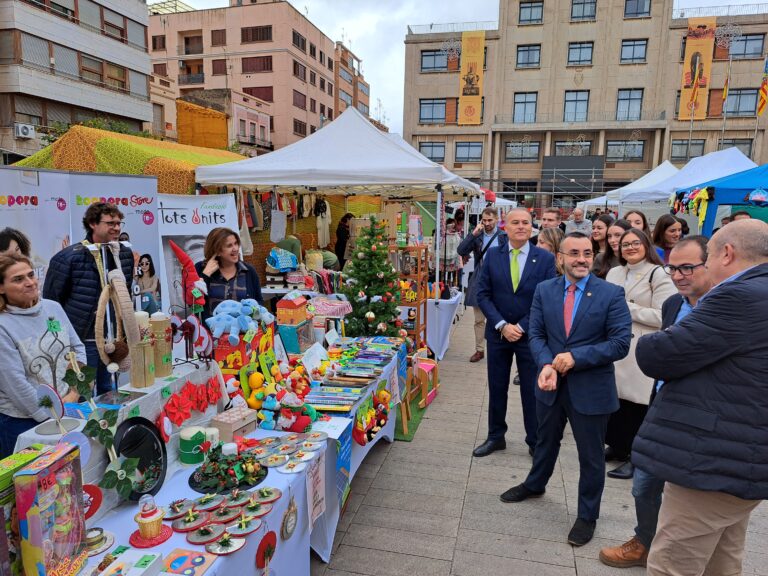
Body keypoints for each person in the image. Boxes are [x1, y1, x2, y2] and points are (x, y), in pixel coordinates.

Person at [632, 219, 768, 576]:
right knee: (722, 561)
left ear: (727, 253)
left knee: (672, 564)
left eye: (704, 261)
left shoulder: (738, 295)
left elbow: (657, 354)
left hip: (712, 460)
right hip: (741, 458)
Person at [500, 232, 632, 547]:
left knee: (591, 456)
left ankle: (587, 515)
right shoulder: (544, 290)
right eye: (573, 253)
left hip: (591, 390)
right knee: (545, 440)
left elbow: (620, 343)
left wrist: (575, 358)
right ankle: (535, 484)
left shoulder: (611, 293)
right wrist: (547, 364)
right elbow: (536, 333)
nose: (581, 259)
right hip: (550, 384)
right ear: (560, 257)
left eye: (587, 252)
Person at [599, 235, 712, 569]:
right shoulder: (675, 304)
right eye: (674, 268)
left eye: (688, 267)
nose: (678, 275)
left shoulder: (722, 308)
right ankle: (644, 541)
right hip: (661, 402)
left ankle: (673, 552)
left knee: (689, 501)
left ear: (716, 263)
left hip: (698, 415)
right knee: (643, 486)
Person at [474, 209, 557, 457]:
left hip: (529, 335)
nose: (521, 226)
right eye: (515, 222)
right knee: (497, 387)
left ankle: (534, 440)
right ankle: (496, 436)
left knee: (532, 390)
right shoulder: (492, 256)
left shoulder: (544, 259)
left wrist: (521, 326)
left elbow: (546, 298)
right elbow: (483, 294)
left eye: (526, 223)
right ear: (505, 227)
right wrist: (502, 325)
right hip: (498, 334)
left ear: (533, 227)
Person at [603, 229, 675, 479]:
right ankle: (619, 447)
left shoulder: (660, 274)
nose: (630, 248)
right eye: (625, 244)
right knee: (617, 401)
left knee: (638, 404)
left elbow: (665, 315)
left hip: (641, 348)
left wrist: (627, 307)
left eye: (635, 243)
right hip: (615, 344)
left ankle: (638, 457)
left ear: (646, 245)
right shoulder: (614, 272)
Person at [0, 255, 87, 457]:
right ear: (1, 288)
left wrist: (73, 394)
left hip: (68, 408)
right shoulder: (3, 326)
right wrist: (53, 414)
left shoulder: (52, 308)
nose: (30, 282)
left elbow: (77, 349)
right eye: (18, 279)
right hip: (24, 422)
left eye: (31, 275)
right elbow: (15, 384)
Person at [43, 202, 134, 395]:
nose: (116, 227)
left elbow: (124, 292)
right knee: (82, 394)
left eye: (119, 223)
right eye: (110, 223)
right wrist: (59, 337)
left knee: (110, 390)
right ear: (93, 223)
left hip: (114, 338)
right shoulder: (68, 258)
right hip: (84, 340)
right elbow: (52, 302)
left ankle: (111, 423)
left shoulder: (124, 254)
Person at [456, 207, 507, 363]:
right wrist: (473, 234)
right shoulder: (478, 236)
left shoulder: (504, 237)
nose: (487, 223)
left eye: (490, 220)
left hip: (500, 282)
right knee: (479, 319)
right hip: (481, 280)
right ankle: (479, 350)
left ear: (496, 220)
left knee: (498, 318)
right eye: (484, 220)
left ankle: (498, 349)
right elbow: (461, 250)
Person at [195, 227, 263, 318]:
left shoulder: (249, 271)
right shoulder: (200, 269)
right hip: (211, 330)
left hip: (243, 329)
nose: (235, 249)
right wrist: (205, 275)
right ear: (217, 251)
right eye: (229, 246)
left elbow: (258, 301)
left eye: (236, 243)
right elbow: (192, 302)